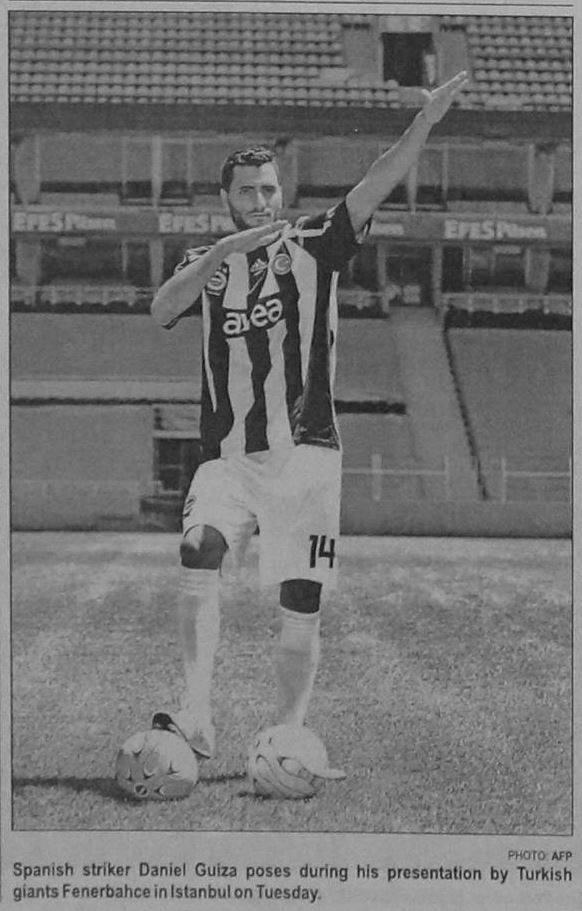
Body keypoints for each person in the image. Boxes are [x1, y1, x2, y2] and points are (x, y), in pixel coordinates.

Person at [150, 71, 468, 760]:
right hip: (228, 454)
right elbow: (162, 307)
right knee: (198, 548)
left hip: (306, 451)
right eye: (247, 191)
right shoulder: (205, 265)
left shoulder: (316, 240)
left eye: (269, 189)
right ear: (226, 199)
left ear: (281, 192)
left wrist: (425, 123)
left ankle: (288, 730)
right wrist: (221, 254)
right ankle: (196, 715)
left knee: (301, 595)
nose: (260, 200)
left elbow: (379, 178)